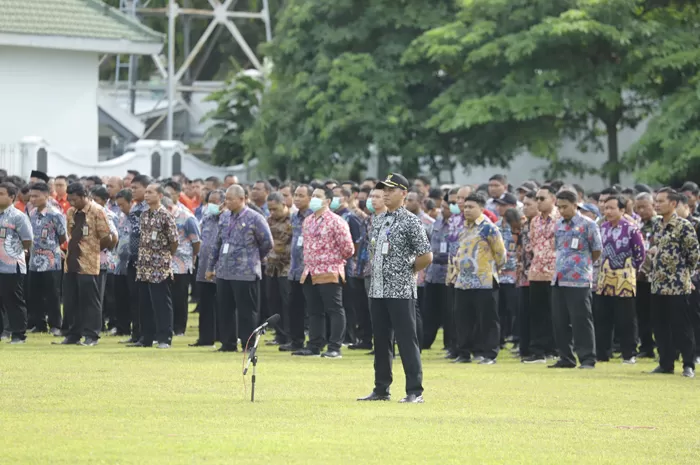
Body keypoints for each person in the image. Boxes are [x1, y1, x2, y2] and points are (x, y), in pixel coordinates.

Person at [358, 173, 432, 404]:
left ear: (403, 193)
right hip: (378, 289)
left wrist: (407, 271)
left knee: (406, 340)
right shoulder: (379, 220)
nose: (386, 194)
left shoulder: (411, 221)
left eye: (391, 190)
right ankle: (381, 388)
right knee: (381, 341)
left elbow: (426, 255)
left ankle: (414, 391)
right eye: (384, 190)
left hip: (400, 291)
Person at [206, 185, 273, 352]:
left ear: (242, 199)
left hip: (246, 272)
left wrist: (254, 257)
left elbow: (267, 242)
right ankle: (228, 344)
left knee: (247, 312)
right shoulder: (224, 217)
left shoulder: (255, 218)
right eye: (226, 199)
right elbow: (218, 242)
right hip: (224, 271)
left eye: (230, 199)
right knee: (225, 309)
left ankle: (248, 344)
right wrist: (211, 266)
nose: (226, 202)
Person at [293, 186, 354, 358]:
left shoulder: (336, 221)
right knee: (314, 311)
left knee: (334, 310)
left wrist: (332, 259)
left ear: (327, 201)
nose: (314, 199)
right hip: (310, 271)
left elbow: (348, 249)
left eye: (318, 196)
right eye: (313, 196)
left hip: (329, 271)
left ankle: (334, 347)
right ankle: (314, 345)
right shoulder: (308, 221)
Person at [449, 192, 507, 365]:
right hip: (463, 281)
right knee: (463, 319)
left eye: (471, 207)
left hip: (484, 281)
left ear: (481, 208)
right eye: (465, 207)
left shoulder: (489, 228)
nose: (466, 210)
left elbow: (500, 253)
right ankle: (464, 353)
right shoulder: (463, 228)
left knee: (487, 319)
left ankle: (489, 354)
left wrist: (492, 269)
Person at [647, 188, 698, 378]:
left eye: (661, 201)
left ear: (673, 204)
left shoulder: (684, 226)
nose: (657, 204)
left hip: (677, 285)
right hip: (657, 284)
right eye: (656, 201)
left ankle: (688, 364)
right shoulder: (657, 225)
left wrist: (685, 274)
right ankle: (665, 363)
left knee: (681, 327)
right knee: (660, 326)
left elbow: (694, 254)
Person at [57, 182, 115, 346]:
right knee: (71, 301)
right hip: (71, 262)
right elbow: (70, 234)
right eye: (69, 199)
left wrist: (93, 250)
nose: (72, 202)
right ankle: (73, 334)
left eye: (75, 199)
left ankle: (91, 335)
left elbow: (107, 237)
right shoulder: (71, 212)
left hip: (89, 264)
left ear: (84, 196)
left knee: (90, 301)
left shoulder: (97, 211)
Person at [549, 190, 601, 369]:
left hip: (579, 280)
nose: (562, 211)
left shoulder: (588, 225)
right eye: (559, 207)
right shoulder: (558, 225)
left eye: (565, 207)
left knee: (581, 320)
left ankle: (587, 358)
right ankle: (566, 357)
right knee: (559, 320)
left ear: (575, 204)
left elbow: (597, 250)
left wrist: (582, 265)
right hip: (559, 278)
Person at [595, 195, 645, 364]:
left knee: (626, 318)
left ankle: (629, 353)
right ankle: (602, 353)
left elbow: (640, 253)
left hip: (625, 278)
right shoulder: (602, 228)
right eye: (606, 208)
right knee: (603, 316)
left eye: (612, 208)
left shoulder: (631, 229)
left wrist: (633, 270)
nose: (607, 211)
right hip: (605, 277)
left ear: (622, 210)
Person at [130, 184, 179, 349]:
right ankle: (146, 338)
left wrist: (165, 256)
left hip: (159, 266)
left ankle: (165, 338)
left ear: (160, 195)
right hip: (144, 266)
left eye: (150, 192)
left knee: (161, 304)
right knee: (144, 303)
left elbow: (174, 241)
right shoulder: (144, 214)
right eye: (146, 192)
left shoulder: (166, 215)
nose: (146, 195)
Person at [522, 185, 559, 363]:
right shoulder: (534, 221)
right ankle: (538, 351)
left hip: (555, 272)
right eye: (537, 199)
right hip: (536, 271)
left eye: (542, 198)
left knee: (555, 313)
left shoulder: (560, 219)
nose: (538, 202)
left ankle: (554, 349)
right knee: (537, 313)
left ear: (553, 199)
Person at [26, 182, 66, 335]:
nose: (33, 199)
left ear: (47, 196)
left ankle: (55, 325)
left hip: (51, 261)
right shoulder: (32, 213)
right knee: (34, 293)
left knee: (52, 294)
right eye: (31, 196)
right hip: (34, 260)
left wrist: (51, 247)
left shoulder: (55, 214)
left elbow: (62, 236)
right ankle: (39, 323)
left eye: (36, 196)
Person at [165, 181, 202, 336]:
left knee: (179, 297)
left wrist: (191, 257)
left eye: (168, 194)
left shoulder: (186, 216)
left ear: (176, 194)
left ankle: (179, 328)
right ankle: (167, 326)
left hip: (181, 263)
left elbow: (196, 241)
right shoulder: (161, 214)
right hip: (164, 263)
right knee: (166, 297)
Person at [190, 189, 225, 347]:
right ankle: (205, 338)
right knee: (205, 305)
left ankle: (222, 336)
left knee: (222, 304)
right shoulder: (206, 218)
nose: (211, 205)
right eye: (209, 201)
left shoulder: (228, 219)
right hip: (205, 267)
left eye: (215, 202)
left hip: (222, 268)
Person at [0, 182, 33, 343]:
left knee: (13, 301)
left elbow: (28, 240)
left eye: (1, 194)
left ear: (12, 197)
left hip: (12, 266)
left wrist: (14, 252)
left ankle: (18, 334)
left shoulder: (18, 216)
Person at [265, 192, 293, 346]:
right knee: (273, 301)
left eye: (275, 209)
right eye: (270, 209)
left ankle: (290, 336)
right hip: (271, 267)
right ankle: (280, 335)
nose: (272, 212)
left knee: (288, 303)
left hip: (288, 267)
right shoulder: (268, 221)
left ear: (284, 205)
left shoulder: (293, 220)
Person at [634, 192, 658, 358]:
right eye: (638, 208)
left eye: (644, 207)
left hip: (657, 276)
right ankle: (646, 347)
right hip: (640, 276)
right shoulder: (637, 225)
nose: (641, 211)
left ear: (653, 205)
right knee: (642, 313)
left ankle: (665, 347)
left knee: (659, 315)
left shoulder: (660, 224)